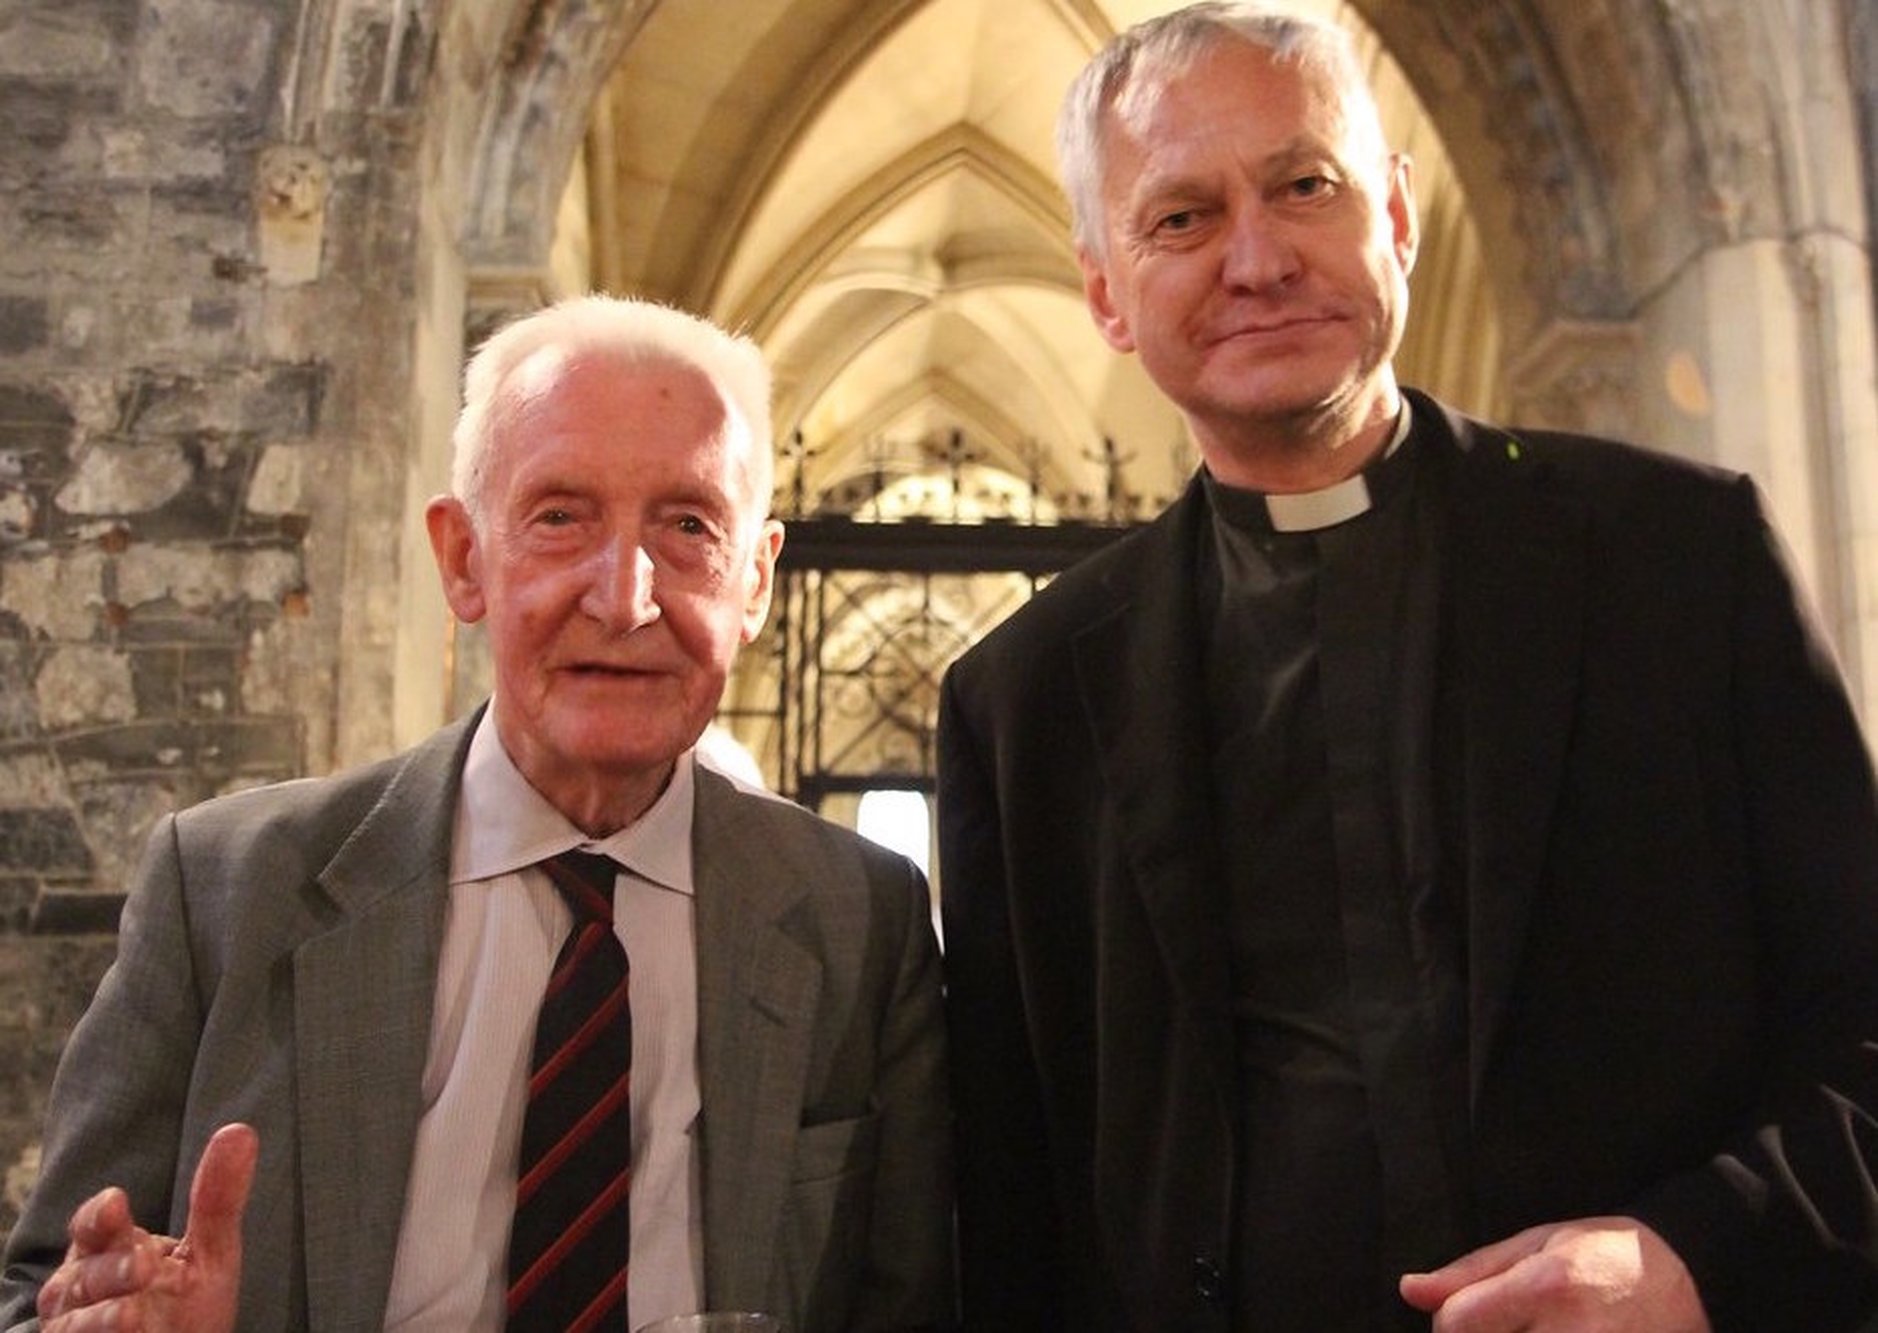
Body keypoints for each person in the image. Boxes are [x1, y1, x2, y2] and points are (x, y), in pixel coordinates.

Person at [935, 6, 1878, 1331]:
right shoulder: (1021, 700)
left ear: (1395, 213)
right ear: (1105, 294)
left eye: (1303, 184)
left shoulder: (1678, 559)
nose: (1255, 259)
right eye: (1180, 219)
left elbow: (1860, 1024)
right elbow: (1009, 1191)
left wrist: (1693, 1259)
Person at [1, 295, 954, 1333]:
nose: (624, 597)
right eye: (561, 517)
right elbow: (48, 1292)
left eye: (687, 526)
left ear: (756, 579)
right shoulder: (229, 890)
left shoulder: (860, 921)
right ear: (464, 559)